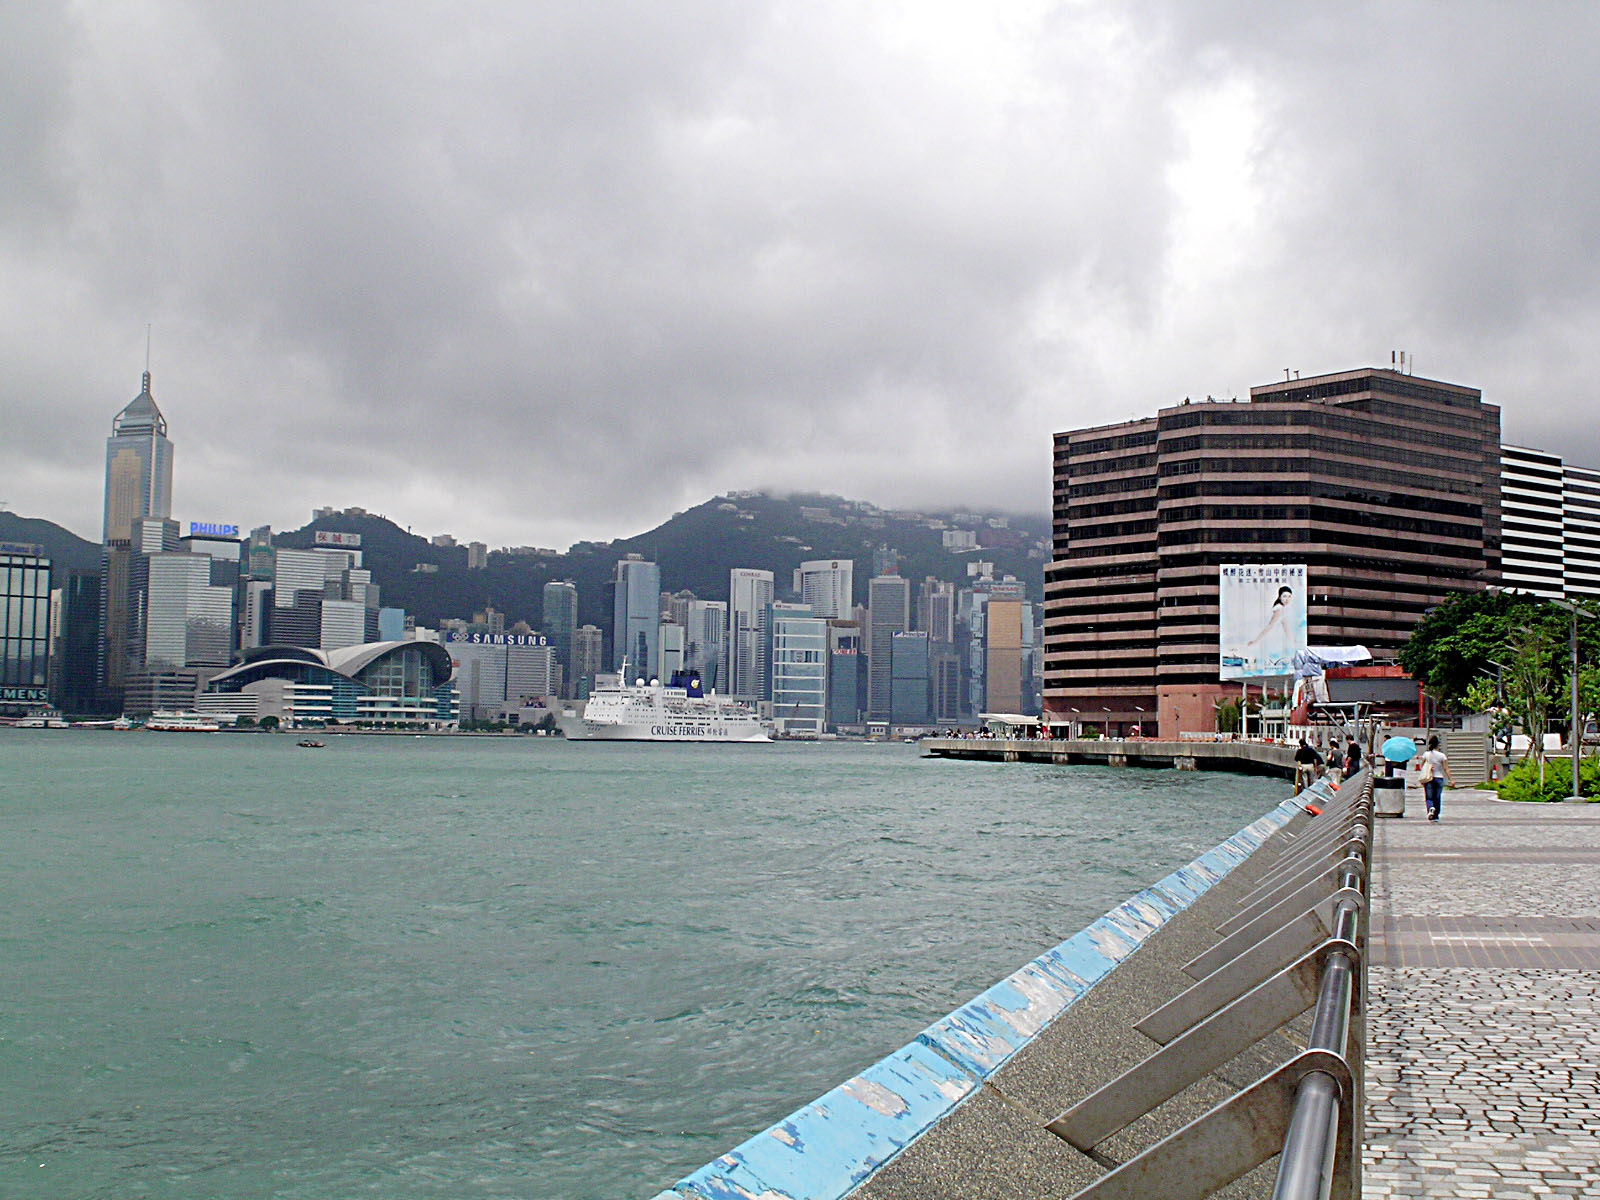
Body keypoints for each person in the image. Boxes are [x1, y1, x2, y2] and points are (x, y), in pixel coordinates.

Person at [1417, 735, 1456, 821]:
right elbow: (1446, 768)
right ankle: (1436, 816)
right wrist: (1451, 780)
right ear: (1438, 745)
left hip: (1429, 778)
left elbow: (1422, 766)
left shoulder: (1426, 754)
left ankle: (1431, 808)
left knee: (1429, 797)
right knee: (1437, 797)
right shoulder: (1442, 755)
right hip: (1439, 778)